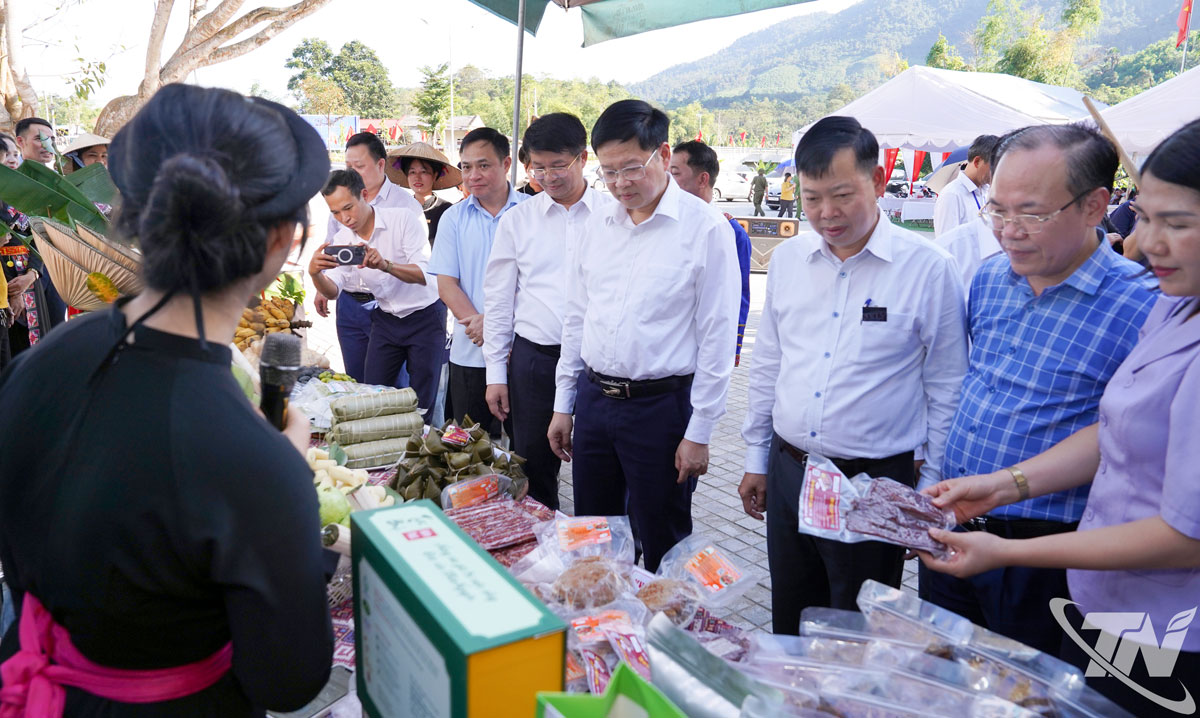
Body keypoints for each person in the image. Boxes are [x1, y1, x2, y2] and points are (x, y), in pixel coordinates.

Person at [0, 84, 332, 716]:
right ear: (281, 240)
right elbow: (288, 679)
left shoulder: (39, 362)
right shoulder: (255, 461)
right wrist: (289, 486)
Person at [920, 118, 1200, 718]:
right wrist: (1000, 484)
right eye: (1146, 218)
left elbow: (1186, 536)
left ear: (1096, 205)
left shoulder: (1144, 300)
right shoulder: (1175, 310)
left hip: (1132, 603)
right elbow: (1116, 429)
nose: (1147, 244)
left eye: (1175, 224)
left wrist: (1010, 548)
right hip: (1011, 545)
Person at [738, 116, 969, 634]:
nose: (827, 213)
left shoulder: (928, 267)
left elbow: (948, 385)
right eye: (813, 198)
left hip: (873, 481)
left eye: (842, 195)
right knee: (792, 611)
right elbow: (769, 361)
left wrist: (926, 495)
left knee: (856, 624)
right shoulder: (791, 259)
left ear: (879, 183)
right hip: (791, 469)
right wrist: (757, 458)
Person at [547, 100, 740, 571]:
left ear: (662, 153)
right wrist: (563, 402)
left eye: (631, 167)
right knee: (593, 534)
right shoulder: (598, 225)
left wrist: (700, 432)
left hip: (661, 410)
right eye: (608, 172)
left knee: (662, 538)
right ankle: (602, 631)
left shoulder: (706, 229)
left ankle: (660, 636)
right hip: (595, 401)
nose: (620, 183)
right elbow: (577, 317)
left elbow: (717, 339)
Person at [483, 114, 611, 510]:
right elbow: (499, 299)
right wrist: (496, 374)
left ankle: (600, 565)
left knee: (601, 474)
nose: (548, 176)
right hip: (534, 361)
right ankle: (540, 564)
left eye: (559, 165)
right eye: (538, 167)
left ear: (582, 158)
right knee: (534, 471)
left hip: (596, 366)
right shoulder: (518, 220)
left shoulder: (613, 215)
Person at [308, 169, 446, 413]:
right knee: (372, 393)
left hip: (425, 316)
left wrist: (385, 265)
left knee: (422, 402)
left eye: (348, 207)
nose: (344, 218)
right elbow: (333, 290)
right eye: (335, 212)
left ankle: (419, 446)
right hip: (385, 318)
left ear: (364, 195)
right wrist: (315, 274)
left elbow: (426, 274)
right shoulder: (343, 238)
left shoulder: (403, 218)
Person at [429, 127, 526, 436]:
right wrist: (485, 329)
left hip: (523, 352)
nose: (473, 175)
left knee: (530, 454)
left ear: (506, 164)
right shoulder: (453, 218)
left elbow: (542, 286)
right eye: (466, 167)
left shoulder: (532, 213)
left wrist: (500, 328)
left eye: (483, 165)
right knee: (473, 452)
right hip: (470, 352)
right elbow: (447, 285)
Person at [314, 132, 424, 382]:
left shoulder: (405, 206)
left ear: (380, 164)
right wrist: (321, 283)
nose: (352, 173)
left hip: (389, 306)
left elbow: (420, 266)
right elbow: (332, 248)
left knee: (393, 389)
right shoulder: (340, 202)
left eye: (359, 166)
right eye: (348, 166)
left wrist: (384, 264)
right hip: (350, 305)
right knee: (357, 383)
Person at [669, 140, 752, 365]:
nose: (667, 180)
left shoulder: (729, 231)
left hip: (699, 353)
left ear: (703, 179)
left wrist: (730, 351)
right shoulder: (662, 224)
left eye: (675, 173)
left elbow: (738, 297)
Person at [385, 142, 462, 247]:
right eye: (412, 172)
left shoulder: (447, 209)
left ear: (435, 175)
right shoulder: (401, 208)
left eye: (424, 172)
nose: (417, 177)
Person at [933, 134, 999, 237]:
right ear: (977, 162)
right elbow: (947, 243)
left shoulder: (986, 192)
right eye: (994, 166)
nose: (997, 172)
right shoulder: (952, 195)